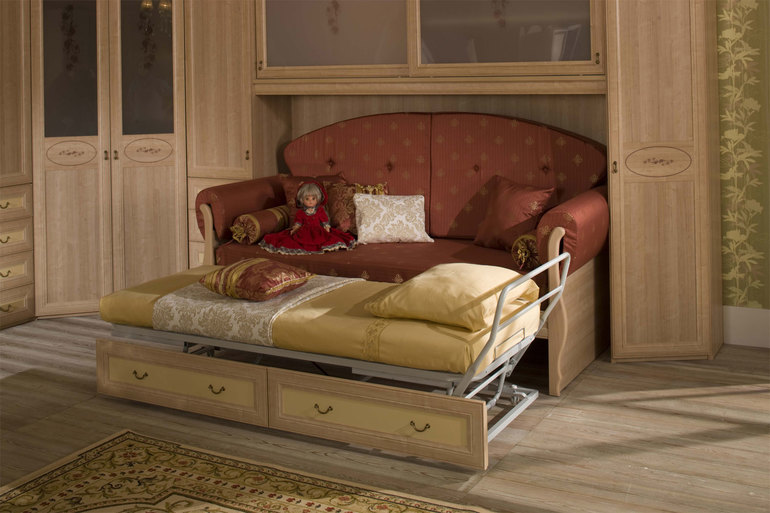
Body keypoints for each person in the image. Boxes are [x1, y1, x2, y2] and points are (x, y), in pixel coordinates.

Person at [259, 181, 355, 255]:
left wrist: (326, 226)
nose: (310, 201)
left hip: (318, 231)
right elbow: (298, 222)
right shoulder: (301, 212)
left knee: (327, 239)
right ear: (302, 199)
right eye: (307, 199)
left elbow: (324, 220)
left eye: (313, 199)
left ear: (318, 199)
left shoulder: (320, 210)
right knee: (293, 240)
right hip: (304, 232)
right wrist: (295, 228)